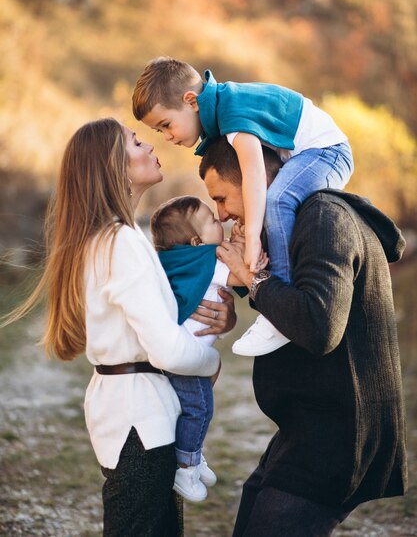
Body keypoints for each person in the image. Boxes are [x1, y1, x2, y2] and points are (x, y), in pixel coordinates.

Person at [1, 119, 237, 537]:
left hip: (137, 414)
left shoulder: (117, 237)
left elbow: (165, 323)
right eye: (134, 141)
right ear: (113, 165)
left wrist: (221, 318)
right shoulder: (120, 242)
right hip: (137, 420)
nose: (148, 145)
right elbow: (167, 351)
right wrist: (210, 360)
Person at [199, 137, 407, 537]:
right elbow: (295, 303)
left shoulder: (324, 218)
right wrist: (245, 287)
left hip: (337, 437)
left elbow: (319, 325)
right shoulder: (299, 220)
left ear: (253, 179)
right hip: (306, 427)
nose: (222, 215)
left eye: (222, 198)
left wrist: (256, 282)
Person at [132, 56, 354, 357]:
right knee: (273, 208)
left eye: (166, 125)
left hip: (327, 151)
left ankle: (279, 312)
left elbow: (253, 171)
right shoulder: (223, 114)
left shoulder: (232, 111)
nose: (168, 137)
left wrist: (251, 240)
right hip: (309, 154)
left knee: (277, 200)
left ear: (191, 100)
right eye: (160, 132)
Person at [150, 195, 250, 502]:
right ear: (196, 241)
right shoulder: (206, 260)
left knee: (197, 408)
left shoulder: (185, 261)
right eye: (211, 221)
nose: (219, 222)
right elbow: (243, 275)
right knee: (199, 409)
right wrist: (245, 248)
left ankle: (192, 456)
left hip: (185, 354)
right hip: (187, 357)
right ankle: (186, 467)